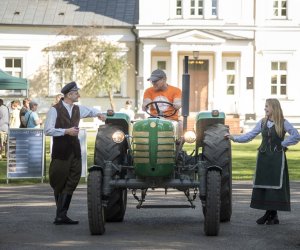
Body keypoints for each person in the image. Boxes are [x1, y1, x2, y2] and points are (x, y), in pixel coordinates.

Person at [225, 98, 300, 225]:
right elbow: (250, 135)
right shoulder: (262, 122)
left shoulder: (283, 122)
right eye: (265, 106)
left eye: (267, 106)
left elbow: (296, 135)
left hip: (277, 158)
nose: (265, 109)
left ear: (273, 108)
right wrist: (234, 138)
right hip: (264, 158)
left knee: (275, 186)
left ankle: (269, 214)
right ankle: (273, 215)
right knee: (265, 185)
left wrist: (283, 143)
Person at [44, 81, 106, 225]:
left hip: (75, 151)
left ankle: (61, 215)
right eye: (76, 93)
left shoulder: (77, 109)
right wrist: (66, 131)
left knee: (73, 179)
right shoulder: (55, 110)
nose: (78, 95)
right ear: (69, 94)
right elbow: (47, 130)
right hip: (61, 152)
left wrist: (99, 114)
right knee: (58, 181)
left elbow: (91, 110)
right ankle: (61, 215)